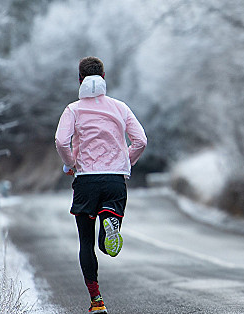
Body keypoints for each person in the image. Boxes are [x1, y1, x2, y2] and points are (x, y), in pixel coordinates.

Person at [55, 56, 147, 313]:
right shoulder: (120, 108)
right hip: (114, 179)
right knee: (105, 245)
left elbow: (61, 142)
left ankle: (97, 301)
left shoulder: (73, 110)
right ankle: (109, 220)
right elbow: (140, 141)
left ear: (80, 80)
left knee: (86, 242)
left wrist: (71, 163)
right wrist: (123, 161)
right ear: (104, 78)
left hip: (86, 181)